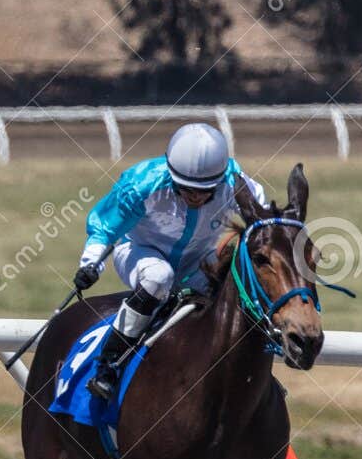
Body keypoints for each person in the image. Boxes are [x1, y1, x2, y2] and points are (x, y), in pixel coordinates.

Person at [73, 122, 269, 400]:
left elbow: (263, 218)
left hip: (198, 260)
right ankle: (109, 363)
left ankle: (255, 377)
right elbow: (104, 228)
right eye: (186, 189)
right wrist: (90, 264)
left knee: (233, 286)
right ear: (172, 174)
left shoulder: (235, 182)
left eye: (205, 190)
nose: (195, 197)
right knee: (159, 277)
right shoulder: (141, 183)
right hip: (140, 251)